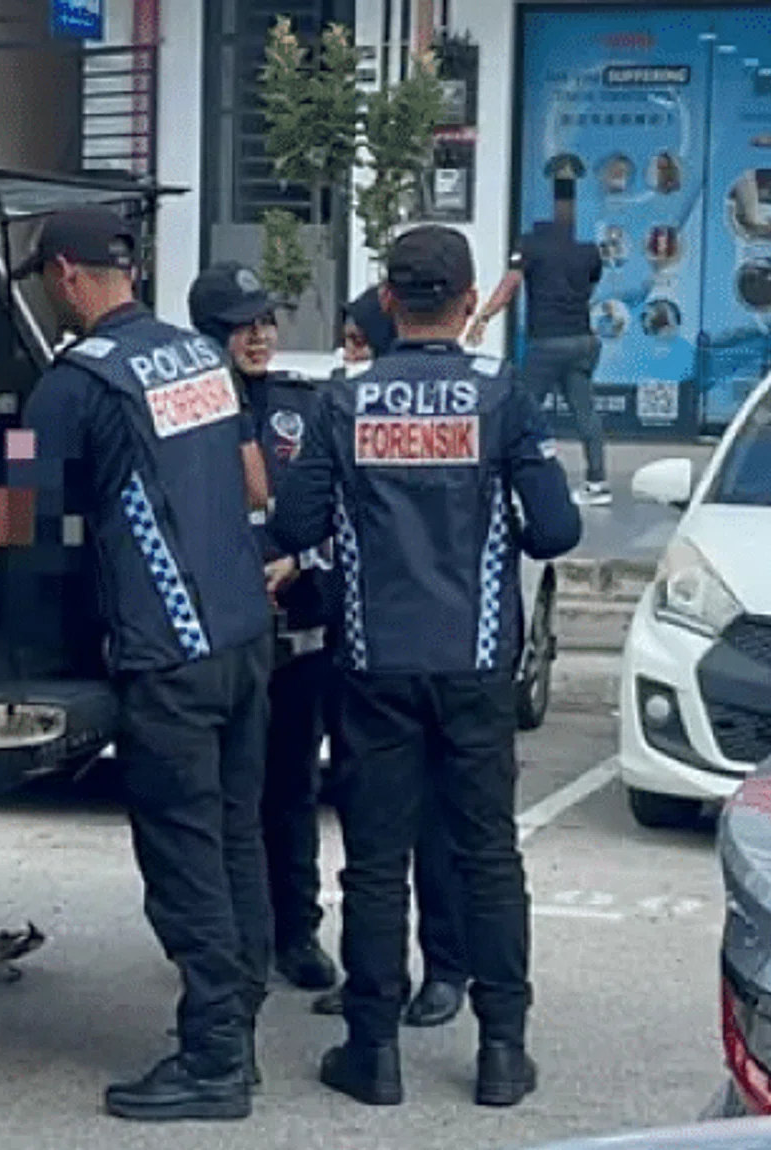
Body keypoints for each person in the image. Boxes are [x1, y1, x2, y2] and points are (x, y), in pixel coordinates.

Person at [270, 225, 582, 1109]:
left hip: (373, 662)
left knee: (374, 862)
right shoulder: (501, 395)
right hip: (478, 663)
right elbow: (557, 530)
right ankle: (500, 1055)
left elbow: (294, 526)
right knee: (487, 856)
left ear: (391, 300)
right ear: (469, 294)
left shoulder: (346, 399)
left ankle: (371, 1054)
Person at [17, 207, 275, 1123]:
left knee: (183, 856)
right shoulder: (197, 355)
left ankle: (212, 1061)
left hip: (168, 651)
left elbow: (24, 509)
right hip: (245, 637)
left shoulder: (75, 380)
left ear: (65, 275)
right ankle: (237, 1026)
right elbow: (244, 482)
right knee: (236, 836)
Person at [311, 285, 471, 1031]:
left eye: (353, 340)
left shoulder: (446, 405)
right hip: (371, 647)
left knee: (433, 832)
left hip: (439, 650)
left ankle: (445, 969)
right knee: (372, 837)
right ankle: (375, 975)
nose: (347, 355)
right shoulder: (344, 410)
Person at [187, 262, 340, 995]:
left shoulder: (301, 406)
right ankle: (225, 938)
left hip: (295, 637)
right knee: (221, 797)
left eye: (267, 322)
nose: (260, 336)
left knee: (291, 791)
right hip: (216, 636)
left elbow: (334, 506)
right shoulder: (185, 410)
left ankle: (296, 932)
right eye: (243, 325)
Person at [467, 177, 611, 506]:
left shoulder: (531, 243)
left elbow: (510, 284)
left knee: (521, 410)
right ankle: (597, 483)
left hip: (548, 341)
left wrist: (484, 317)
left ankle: (511, 483)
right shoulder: (588, 248)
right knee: (585, 412)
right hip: (582, 340)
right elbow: (590, 286)